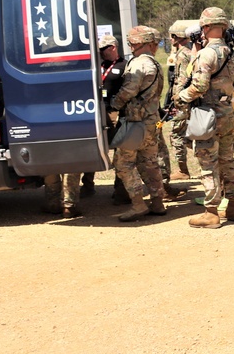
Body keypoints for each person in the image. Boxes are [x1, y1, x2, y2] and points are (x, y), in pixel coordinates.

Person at [178, 7, 234, 230]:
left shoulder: (206, 54)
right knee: (227, 159)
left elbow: (199, 85)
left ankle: (211, 211)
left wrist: (181, 97)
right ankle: (233, 205)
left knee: (208, 161)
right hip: (227, 111)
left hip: (207, 114)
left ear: (205, 27)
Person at [108, 26, 167, 222]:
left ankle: (138, 204)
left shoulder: (138, 65)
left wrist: (112, 105)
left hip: (136, 123)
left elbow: (128, 91)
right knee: (150, 162)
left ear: (138, 43)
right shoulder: (155, 64)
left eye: (131, 43)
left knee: (123, 163)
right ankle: (158, 202)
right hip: (151, 121)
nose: (130, 46)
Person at [82, 34, 127, 201]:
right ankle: (87, 185)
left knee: (120, 151)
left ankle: (120, 189)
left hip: (114, 113)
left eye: (103, 49)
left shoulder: (124, 66)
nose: (100, 52)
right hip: (97, 112)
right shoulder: (99, 66)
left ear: (113, 47)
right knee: (92, 147)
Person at [166, 21, 195, 181]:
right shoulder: (187, 52)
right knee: (187, 134)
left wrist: (177, 98)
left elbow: (183, 79)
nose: (170, 40)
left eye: (172, 37)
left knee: (176, 134)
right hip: (186, 99)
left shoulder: (183, 54)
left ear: (177, 37)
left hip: (182, 101)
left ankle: (183, 170)